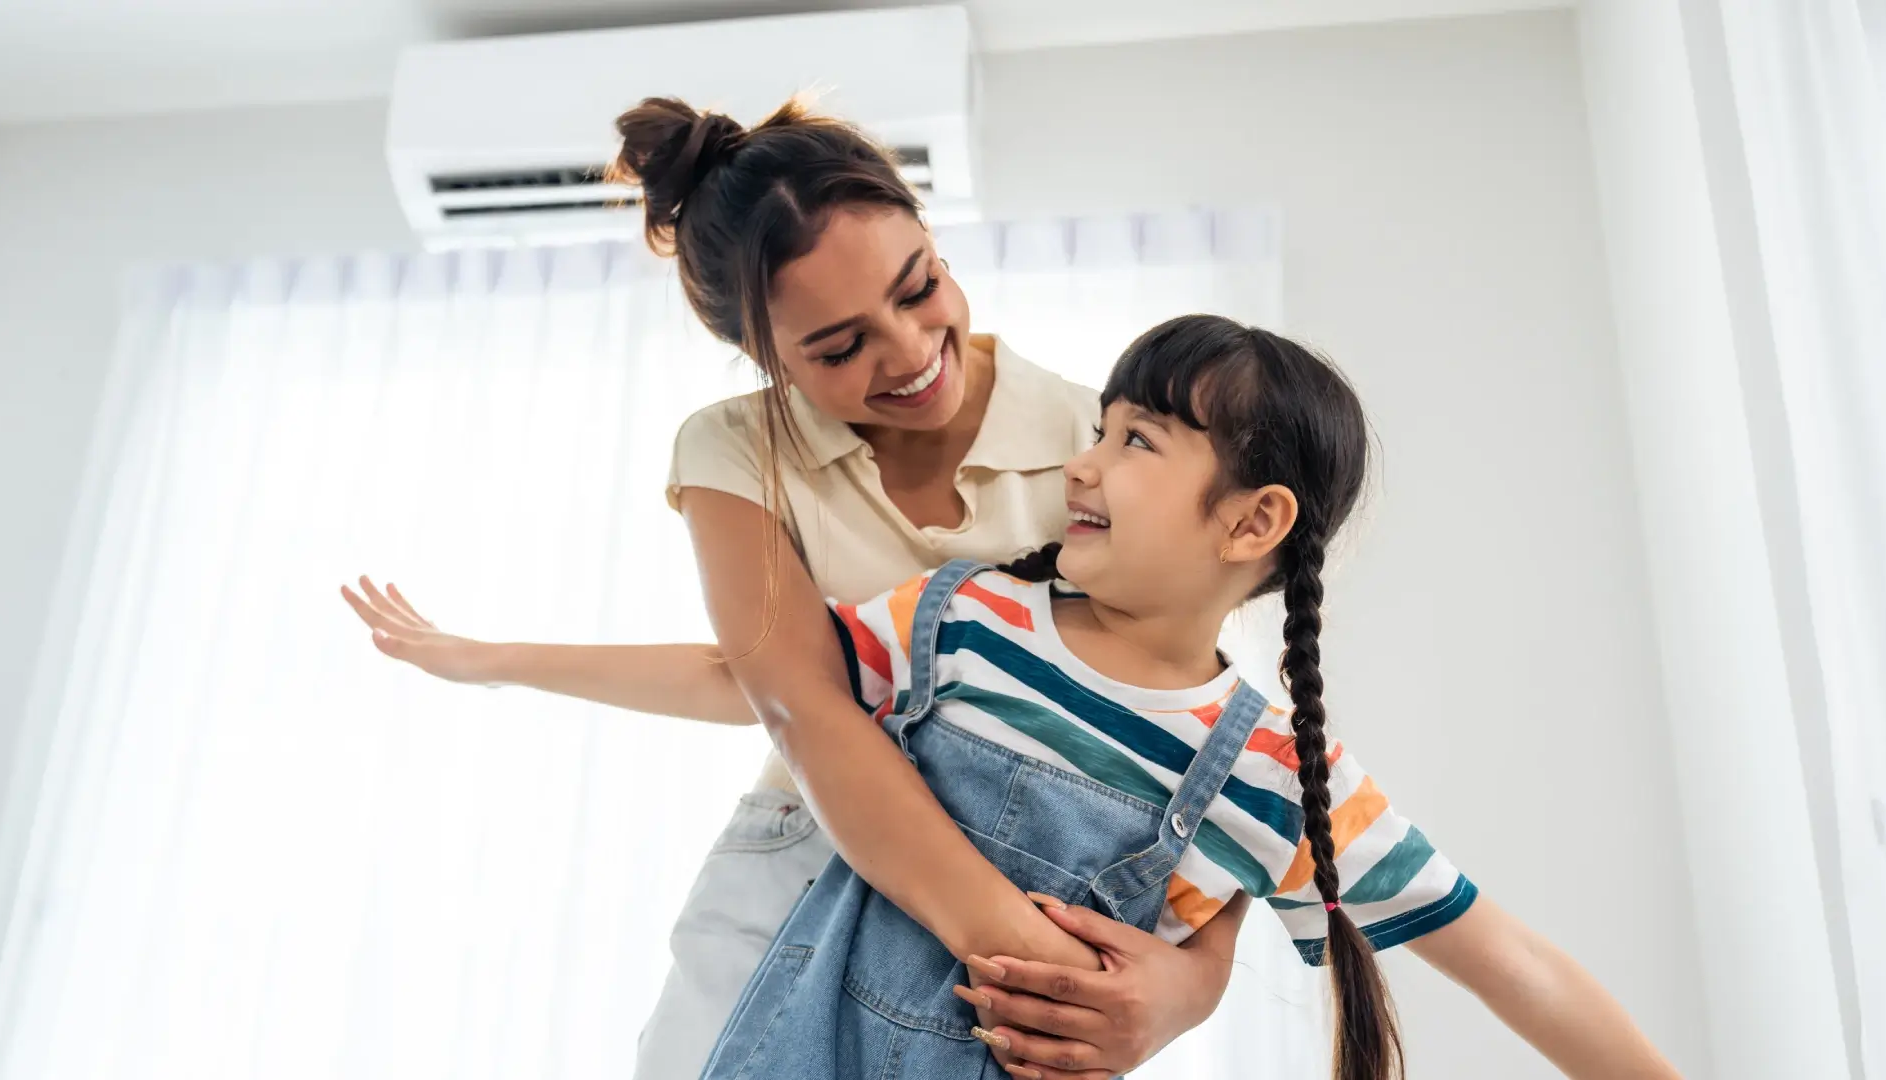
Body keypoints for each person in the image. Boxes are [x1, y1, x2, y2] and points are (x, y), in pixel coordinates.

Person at [342, 96, 1235, 1079]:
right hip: (821, 861)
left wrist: (1185, 991)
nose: (907, 353)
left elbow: (1209, 718)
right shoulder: (739, 450)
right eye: (839, 348)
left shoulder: (1094, 437)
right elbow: (790, 696)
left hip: (1045, 888)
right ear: (765, 359)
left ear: (934, 238)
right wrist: (490, 660)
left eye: (919, 286)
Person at [677, 314, 1681, 1080]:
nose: (1084, 460)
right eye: (1101, 429)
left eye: (1137, 442)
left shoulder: (1279, 777)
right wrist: (516, 660)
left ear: (1253, 524)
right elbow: (764, 680)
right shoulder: (966, 617)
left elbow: (1513, 963)